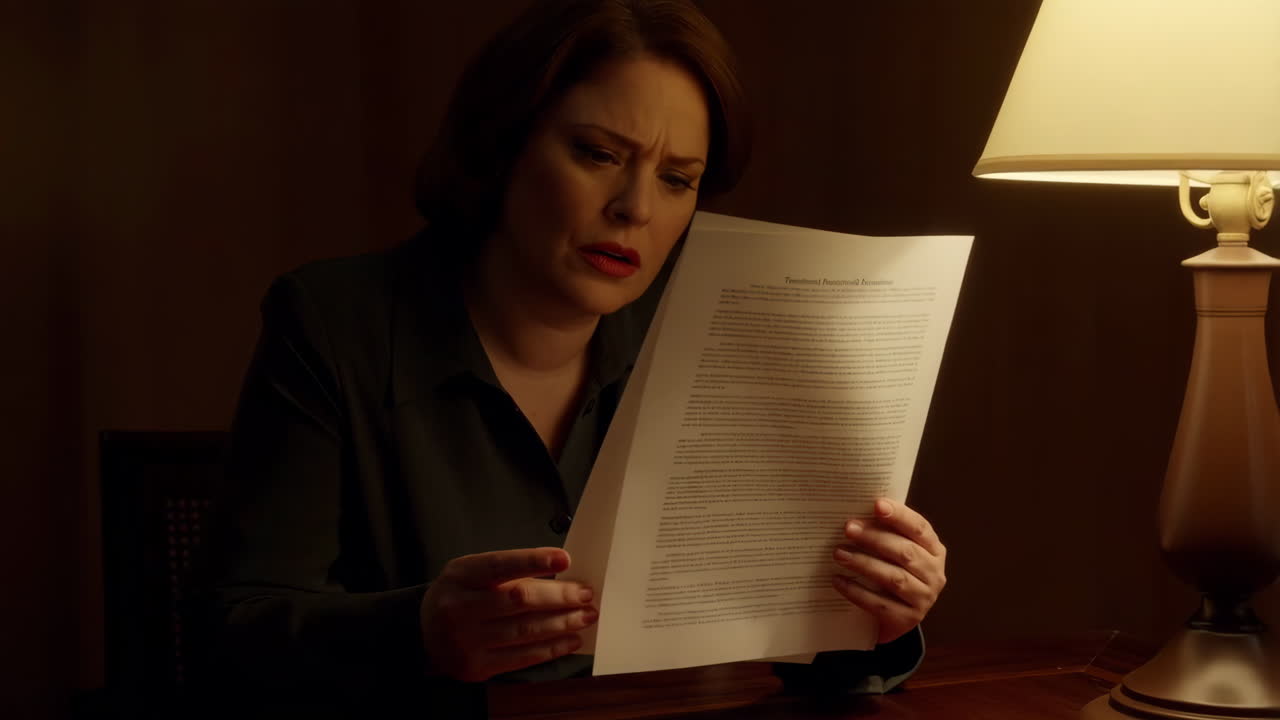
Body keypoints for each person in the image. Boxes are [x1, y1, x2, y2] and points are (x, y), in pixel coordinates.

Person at [206, 0, 947, 715]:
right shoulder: (337, 324)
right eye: (598, 154)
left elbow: (788, 645)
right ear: (502, 147)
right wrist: (419, 631)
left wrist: (874, 613)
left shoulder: (709, 340)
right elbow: (235, 632)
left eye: (676, 179)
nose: (636, 208)